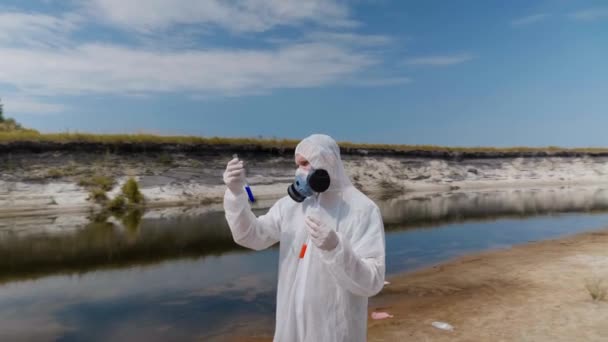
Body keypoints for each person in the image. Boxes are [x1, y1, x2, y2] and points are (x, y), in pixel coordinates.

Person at [223, 134, 386, 342]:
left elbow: (372, 282)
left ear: (327, 162)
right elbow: (251, 236)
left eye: (305, 163)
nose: (299, 171)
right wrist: (235, 194)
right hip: (290, 328)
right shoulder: (290, 206)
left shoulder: (362, 209)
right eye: (297, 164)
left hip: (335, 333)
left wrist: (337, 248)